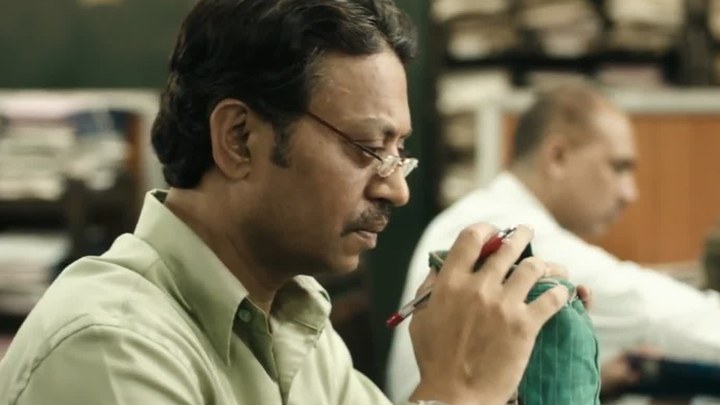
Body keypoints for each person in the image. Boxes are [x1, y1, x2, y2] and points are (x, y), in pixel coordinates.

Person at [0, 1, 574, 404]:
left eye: (399, 153)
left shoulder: (294, 321)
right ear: (239, 139)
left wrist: (500, 364)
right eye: (368, 147)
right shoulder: (112, 345)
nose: (396, 188)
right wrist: (456, 391)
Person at [386, 83, 720, 402]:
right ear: (557, 156)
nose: (629, 194)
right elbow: (660, 315)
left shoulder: (482, 211)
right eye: (618, 168)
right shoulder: (509, 232)